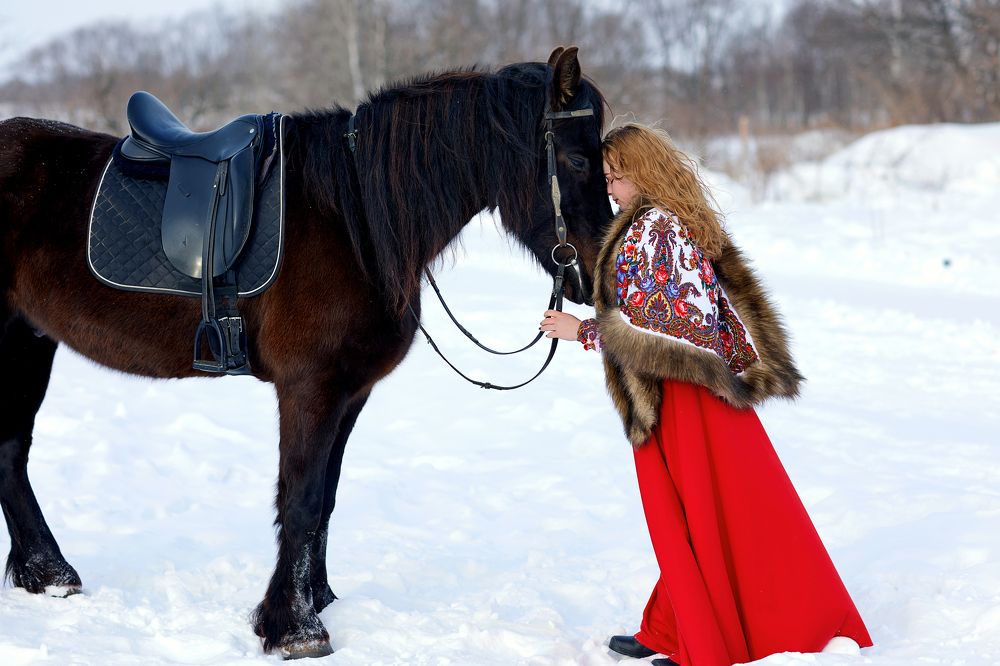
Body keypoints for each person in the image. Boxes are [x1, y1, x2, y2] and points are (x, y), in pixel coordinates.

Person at [539, 123, 872, 666]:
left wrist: (584, 331)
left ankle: (699, 639)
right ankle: (671, 626)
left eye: (615, 177)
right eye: (606, 178)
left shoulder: (655, 228)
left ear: (640, 173)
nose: (609, 189)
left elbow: (668, 324)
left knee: (688, 518)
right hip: (691, 391)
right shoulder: (667, 220)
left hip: (678, 396)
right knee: (701, 515)